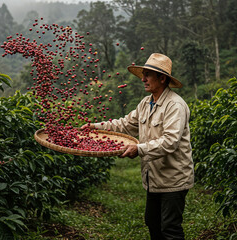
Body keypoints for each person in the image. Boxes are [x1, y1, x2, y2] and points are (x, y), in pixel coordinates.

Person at [81, 53, 194, 239]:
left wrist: (139, 149)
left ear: (162, 78)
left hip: (173, 179)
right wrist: (94, 127)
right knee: (152, 223)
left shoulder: (175, 105)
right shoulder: (145, 104)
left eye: (147, 75)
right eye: (143, 74)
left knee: (170, 229)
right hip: (154, 179)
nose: (143, 79)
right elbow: (123, 124)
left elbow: (170, 142)